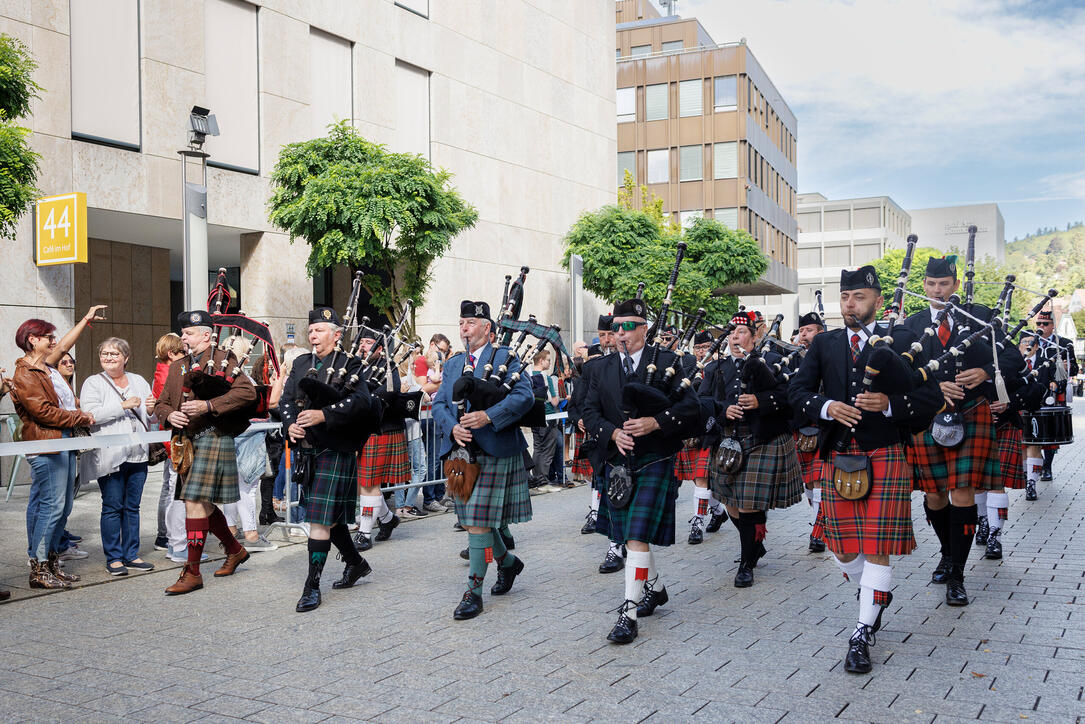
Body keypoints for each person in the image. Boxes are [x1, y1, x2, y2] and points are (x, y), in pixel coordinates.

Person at [789, 265, 941, 674]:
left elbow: (930, 396)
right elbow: (796, 392)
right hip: (837, 452)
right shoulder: (826, 344)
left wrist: (889, 405)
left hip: (885, 450)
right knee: (841, 547)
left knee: (876, 545)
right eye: (845, 297)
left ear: (877, 300)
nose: (850, 304)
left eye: (858, 296)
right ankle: (874, 595)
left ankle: (862, 631)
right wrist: (826, 407)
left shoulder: (906, 340)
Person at [581, 298, 699, 644]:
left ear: (644, 328)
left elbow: (691, 407)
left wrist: (655, 423)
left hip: (655, 459)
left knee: (634, 536)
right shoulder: (599, 368)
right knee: (635, 537)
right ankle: (656, 589)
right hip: (617, 462)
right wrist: (612, 433)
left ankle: (628, 614)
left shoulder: (668, 362)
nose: (620, 333)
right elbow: (588, 412)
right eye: (616, 327)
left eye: (628, 326)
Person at [901, 256, 1008, 607]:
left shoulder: (980, 315)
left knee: (962, 492)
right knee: (934, 495)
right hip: (928, 416)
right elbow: (898, 373)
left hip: (971, 413)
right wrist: (934, 387)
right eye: (931, 285)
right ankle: (948, 553)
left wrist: (986, 373)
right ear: (924, 286)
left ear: (956, 285)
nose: (937, 291)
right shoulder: (912, 324)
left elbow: (1013, 360)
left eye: (944, 284)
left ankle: (958, 574)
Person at [432, 300, 534, 620]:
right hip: (460, 454)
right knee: (474, 521)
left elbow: (525, 397)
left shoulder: (505, 357)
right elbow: (439, 406)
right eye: (461, 323)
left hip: (494, 449)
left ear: (487, 328)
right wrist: (453, 429)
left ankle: (473, 592)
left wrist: (488, 416)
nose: (464, 329)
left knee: (476, 521)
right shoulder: (452, 364)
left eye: (471, 323)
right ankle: (507, 563)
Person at [279, 307, 378, 612]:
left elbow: (362, 403)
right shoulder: (300, 363)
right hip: (308, 448)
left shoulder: (351, 364)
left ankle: (311, 586)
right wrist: (290, 424)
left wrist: (324, 414)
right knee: (330, 517)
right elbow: (286, 401)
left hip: (336, 447)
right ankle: (356, 563)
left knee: (320, 518)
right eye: (311, 331)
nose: (313, 336)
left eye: (320, 330)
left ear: (336, 335)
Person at [155, 310, 259, 595]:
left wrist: (208, 406)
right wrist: (169, 415)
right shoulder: (178, 367)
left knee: (193, 501)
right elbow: (161, 403)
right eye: (183, 333)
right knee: (202, 505)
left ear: (206, 335)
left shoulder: (226, 360)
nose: (183, 338)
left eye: (188, 333)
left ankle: (193, 572)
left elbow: (248, 394)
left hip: (213, 435)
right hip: (187, 441)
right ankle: (235, 550)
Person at [705, 312, 803, 587]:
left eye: (741, 333)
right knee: (731, 504)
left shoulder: (774, 362)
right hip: (728, 440)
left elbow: (791, 395)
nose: (735, 338)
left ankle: (747, 561)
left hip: (763, 438)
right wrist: (725, 410)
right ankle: (754, 544)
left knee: (748, 504)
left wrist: (761, 401)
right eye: (731, 334)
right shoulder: (717, 368)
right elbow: (703, 401)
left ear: (755, 335)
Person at [11, 306, 105, 589]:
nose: (54, 341)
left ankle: (51, 563)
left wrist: (86, 319)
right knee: (50, 508)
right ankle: (38, 568)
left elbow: (66, 344)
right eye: (47, 336)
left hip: (63, 441)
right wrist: (80, 416)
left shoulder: (45, 366)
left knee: (62, 508)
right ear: (32, 340)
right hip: (46, 445)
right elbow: (43, 413)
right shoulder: (25, 372)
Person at [80, 337, 156, 575]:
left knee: (132, 506)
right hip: (110, 456)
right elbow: (90, 415)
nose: (109, 358)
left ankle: (131, 554)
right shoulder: (93, 383)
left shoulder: (138, 380)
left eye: (114, 354)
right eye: (105, 354)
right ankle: (113, 557)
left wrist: (151, 409)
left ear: (126, 358)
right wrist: (121, 407)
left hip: (137, 454)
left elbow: (150, 417)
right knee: (112, 506)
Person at [352, 331, 405, 551]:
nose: (364, 346)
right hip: (362, 430)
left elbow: (387, 394)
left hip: (381, 429)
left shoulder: (389, 367)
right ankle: (387, 518)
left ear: (380, 348)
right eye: (362, 342)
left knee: (368, 483)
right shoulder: (356, 366)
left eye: (369, 342)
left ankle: (365, 533)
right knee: (364, 483)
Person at [681, 330, 726, 545]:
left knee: (702, 478)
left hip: (714, 430)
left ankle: (697, 523)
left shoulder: (721, 368)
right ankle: (718, 512)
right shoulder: (687, 368)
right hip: (692, 430)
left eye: (706, 347)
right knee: (699, 479)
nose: (701, 352)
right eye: (698, 348)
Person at [790, 313, 827, 552]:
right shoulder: (791, 357)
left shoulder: (831, 354)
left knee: (818, 480)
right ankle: (818, 521)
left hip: (824, 426)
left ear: (821, 332)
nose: (804, 334)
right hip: (800, 427)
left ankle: (819, 530)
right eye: (802, 330)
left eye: (809, 330)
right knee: (809, 484)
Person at [1032, 309, 1077, 482]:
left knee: (1050, 431)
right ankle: (1035, 461)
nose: (1041, 327)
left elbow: (1074, 369)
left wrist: (1067, 368)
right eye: (1038, 323)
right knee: (1030, 428)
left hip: (1053, 390)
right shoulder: (1030, 340)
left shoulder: (1065, 344)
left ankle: (1047, 467)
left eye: (1045, 324)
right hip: (1032, 389)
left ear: (1053, 326)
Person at [152, 333, 186, 556]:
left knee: (171, 487)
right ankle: (169, 536)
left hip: (170, 435)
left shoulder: (162, 370)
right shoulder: (170, 371)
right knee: (173, 488)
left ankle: (168, 535)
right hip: (173, 436)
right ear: (172, 353)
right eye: (182, 352)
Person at [53, 351, 87, 555]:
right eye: (63, 362)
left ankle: (61, 539)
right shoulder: (54, 385)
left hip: (72, 443)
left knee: (66, 500)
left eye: (71, 361)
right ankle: (57, 545)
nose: (68, 365)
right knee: (58, 502)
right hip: (57, 443)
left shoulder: (69, 385)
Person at [528, 348, 562, 490]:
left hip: (533, 416)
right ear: (541, 361)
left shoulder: (527, 375)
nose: (549, 362)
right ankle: (542, 480)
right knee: (548, 450)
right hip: (548, 416)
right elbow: (554, 401)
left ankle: (536, 478)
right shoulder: (545, 377)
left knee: (538, 448)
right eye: (548, 359)